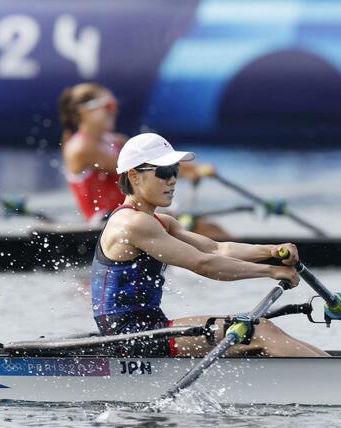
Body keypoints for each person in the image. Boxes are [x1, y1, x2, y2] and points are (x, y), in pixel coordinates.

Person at [91, 133, 326, 357]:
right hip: (130, 338)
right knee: (260, 331)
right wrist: (270, 270)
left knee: (260, 329)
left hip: (151, 328)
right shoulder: (132, 223)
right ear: (133, 176)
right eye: (163, 172)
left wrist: (270, 251)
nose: (173, 180)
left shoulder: (162, 222)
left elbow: (216, 249)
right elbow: (204, 264)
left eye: (175, 170)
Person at [58, 83, 228, 239]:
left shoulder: (116, 140)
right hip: (107, 221)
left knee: (211, 229)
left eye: (115, 106)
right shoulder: (80, 148)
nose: (114, 111)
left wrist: (195, 169)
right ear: (84, 111)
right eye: (108, 106)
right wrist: (190, 172)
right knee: (206, 230)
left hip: (133, 213)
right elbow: (144, 167)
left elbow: (155, 158)